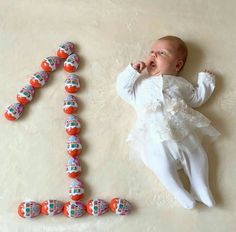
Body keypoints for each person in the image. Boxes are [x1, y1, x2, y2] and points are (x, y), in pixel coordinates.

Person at [116, 35, 220, 209]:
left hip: (182, 129)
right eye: (152, 52)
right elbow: (122, 88)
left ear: (177, 65)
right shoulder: (140, 85)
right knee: (160, 164)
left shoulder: (181, 84)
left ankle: (201, 187)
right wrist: (132, 72)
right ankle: (178, 191)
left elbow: (196, 99)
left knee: (198, 155)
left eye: (161, 53)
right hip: (153, 135)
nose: (153, 55)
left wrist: (205, 82)